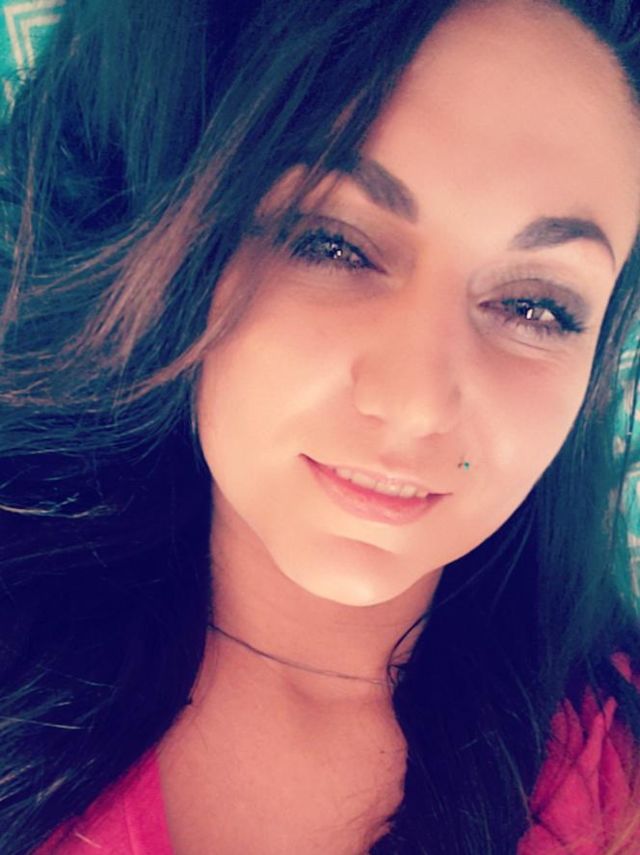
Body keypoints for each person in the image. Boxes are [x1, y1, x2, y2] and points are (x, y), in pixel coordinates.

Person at [1, 0, 639, 851]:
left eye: (536, 305)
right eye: (333, 244)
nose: (417, 403)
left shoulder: (611, 776)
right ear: (177, 239)